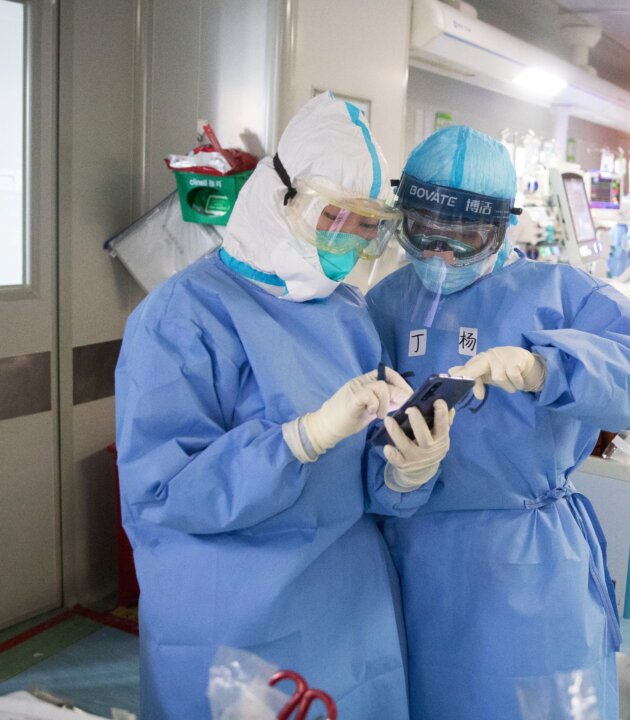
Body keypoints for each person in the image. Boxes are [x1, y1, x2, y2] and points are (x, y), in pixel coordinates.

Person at [115, 93, 454, 719]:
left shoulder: (347, 315)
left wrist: (407, 469)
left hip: (349, 608)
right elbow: (162, 492)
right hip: (234, 616)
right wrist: (295, 441)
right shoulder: (182, 317)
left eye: (366, 226)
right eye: (334, 217)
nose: (348, 241)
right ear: (279, 196)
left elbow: (367, 475)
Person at [366, 126, 630, 720]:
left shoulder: (556, 292)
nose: (440, 256)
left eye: (465, 239)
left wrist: (545, 367)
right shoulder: (385, 302)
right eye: (423, 234)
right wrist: (401, 474)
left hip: (531, 569)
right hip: (414, 560)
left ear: (502, 230)